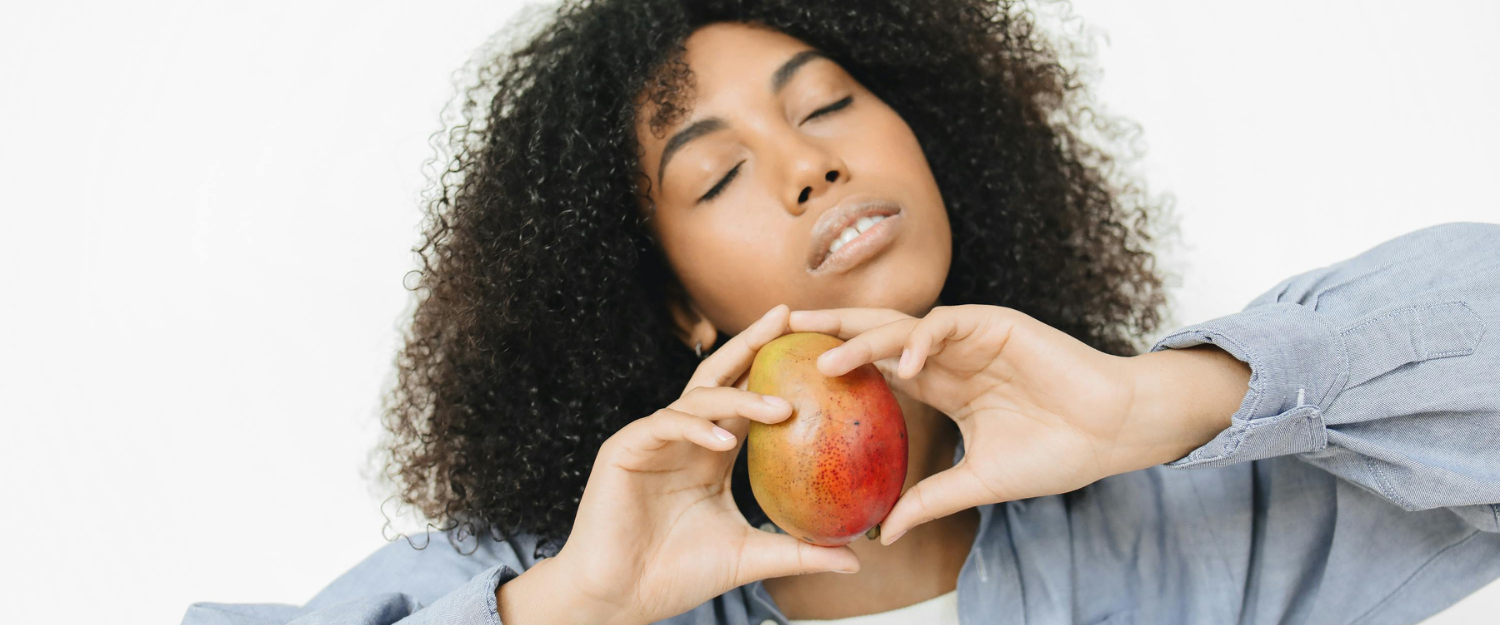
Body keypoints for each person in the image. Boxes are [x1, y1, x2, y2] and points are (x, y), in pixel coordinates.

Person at [181, 1, 1500, 623]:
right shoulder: (543, 580)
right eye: (717, 172)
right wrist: (564, 612)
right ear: (676, 310)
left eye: (828, 107)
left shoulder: (1186, 512)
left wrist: (1164, 398)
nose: (811, 162)